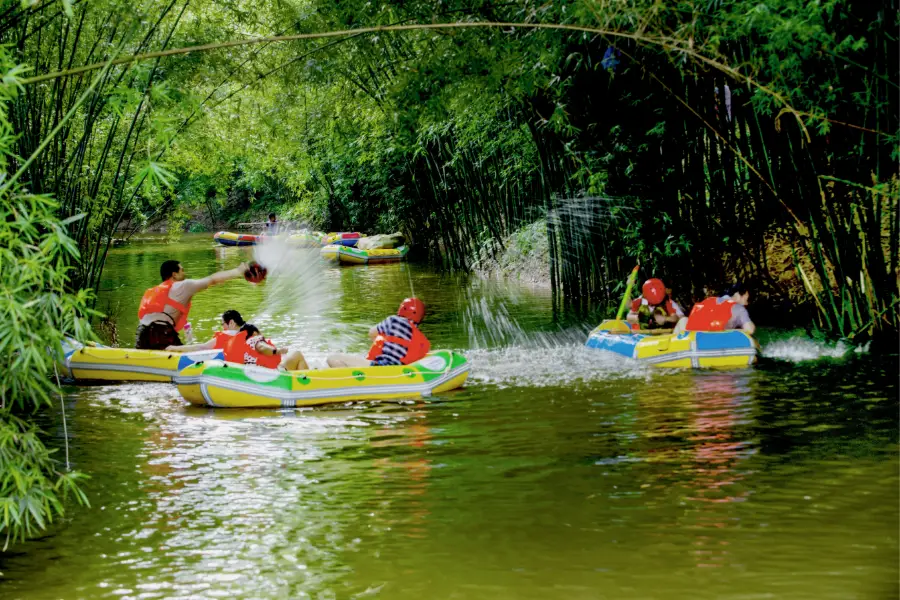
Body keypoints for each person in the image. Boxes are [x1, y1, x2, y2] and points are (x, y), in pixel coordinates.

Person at [136, 260, 249, 350]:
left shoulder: (153, 291)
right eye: (182, 270)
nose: (184, 273)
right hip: (160, 333)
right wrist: (238, 271)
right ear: (174, 274)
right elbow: (212, 280)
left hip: (142, 334)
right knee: (182, 357)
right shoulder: (183, 286)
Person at [326, 298, 431, 368]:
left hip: (381, 367)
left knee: (332, 359)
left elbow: (371, 332)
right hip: (398, 370)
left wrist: (380, 340)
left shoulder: (393, 320)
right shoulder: (420, 338)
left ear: (402, 309)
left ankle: (348, 383)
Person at [224, 323, 308, 371]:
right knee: (297, 354)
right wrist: (277, 351)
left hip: (254, 373)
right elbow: (262, 347)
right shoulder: (255, 339)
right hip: (271, 374)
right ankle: (307, 382)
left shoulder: (242, 346)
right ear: (254, 333)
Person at [684, 282, 756, 334]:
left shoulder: (708, 301)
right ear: (746, 294)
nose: (747, 304)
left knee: (684, 320)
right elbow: (750, 330)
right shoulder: (739, 308)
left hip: (694, 342)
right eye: (747, 300)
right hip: (715, 345)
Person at [165, 310, 245, 353]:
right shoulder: (249, 333)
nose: (223, 328)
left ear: (231, 323)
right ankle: (189, 339)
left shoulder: (227, 335)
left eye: (223, 324)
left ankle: (189, 339)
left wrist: (173, 348)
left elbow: (202, 347)